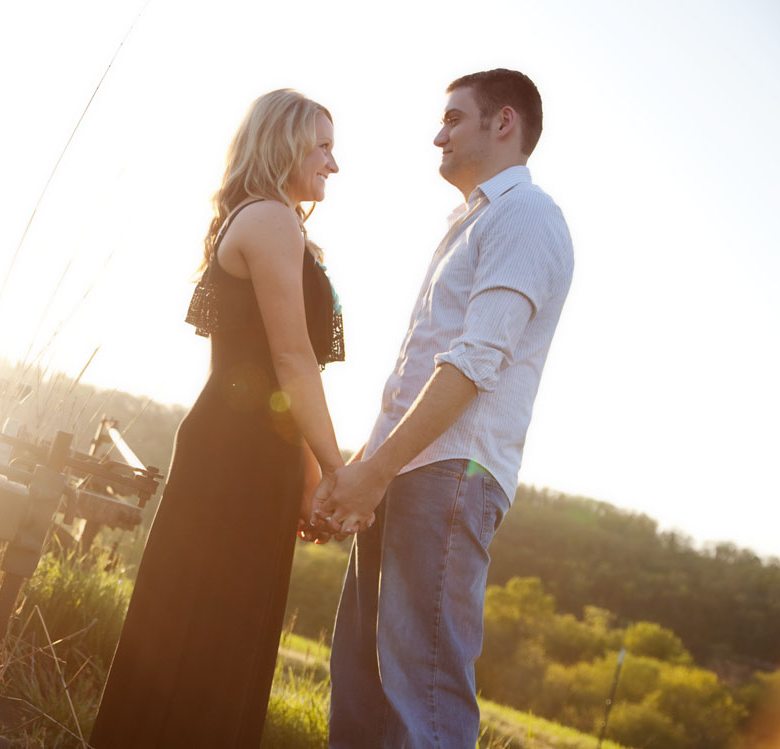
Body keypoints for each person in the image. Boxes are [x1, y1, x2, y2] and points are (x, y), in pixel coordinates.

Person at [311, 69, 574, 747]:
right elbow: (415, 372)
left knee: (422, 700)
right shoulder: (473, 221)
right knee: (362, 694)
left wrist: (374, 471)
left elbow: (474, 361)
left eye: (454, 118)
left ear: (504, 122)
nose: (438, 133)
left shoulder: (527, 215)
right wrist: (359, 473)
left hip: (447, 476)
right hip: (405, 471)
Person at [90, 89, 353, 748]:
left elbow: (288, 377)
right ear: (284, 144)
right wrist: (341, 470)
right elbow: (291, 361)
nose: (333, 163)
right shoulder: (269, 220)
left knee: (226, 637)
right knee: (202, 633)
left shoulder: (277, 221)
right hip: (233, 457)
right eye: (321, 145)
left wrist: (305, 473)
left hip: (257, 453)